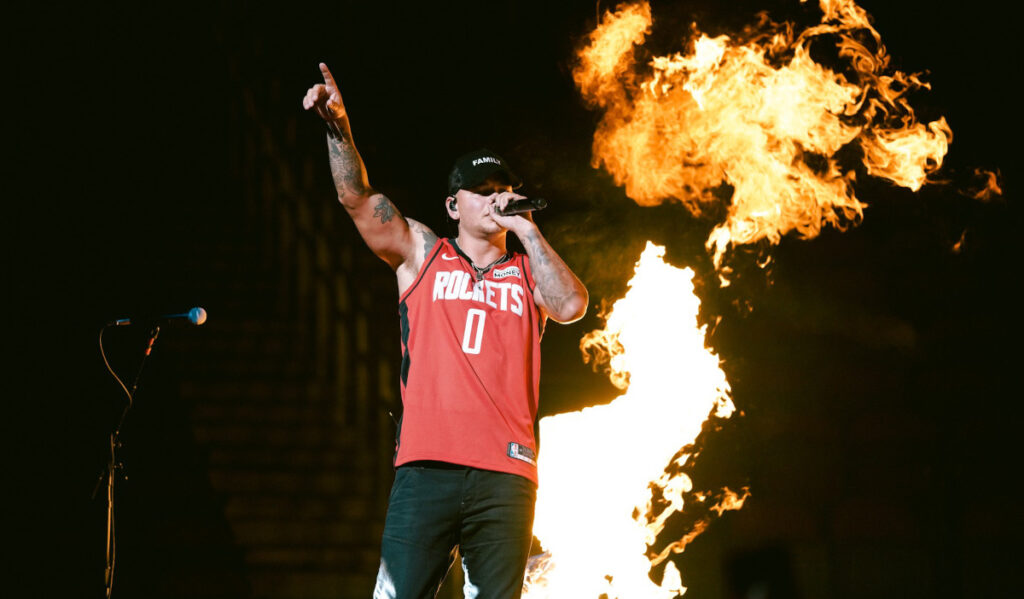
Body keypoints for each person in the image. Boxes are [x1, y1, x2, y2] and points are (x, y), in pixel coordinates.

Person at [303, 62, 588, 599]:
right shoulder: (424, 255)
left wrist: (526, 229)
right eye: (482, 190)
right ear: (454, 204)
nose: (496, 198)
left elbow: (571, 305)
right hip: (427, 468)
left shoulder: (528, 271)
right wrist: (337, 126)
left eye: (504, 188)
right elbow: (357, 198)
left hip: (506, 476)